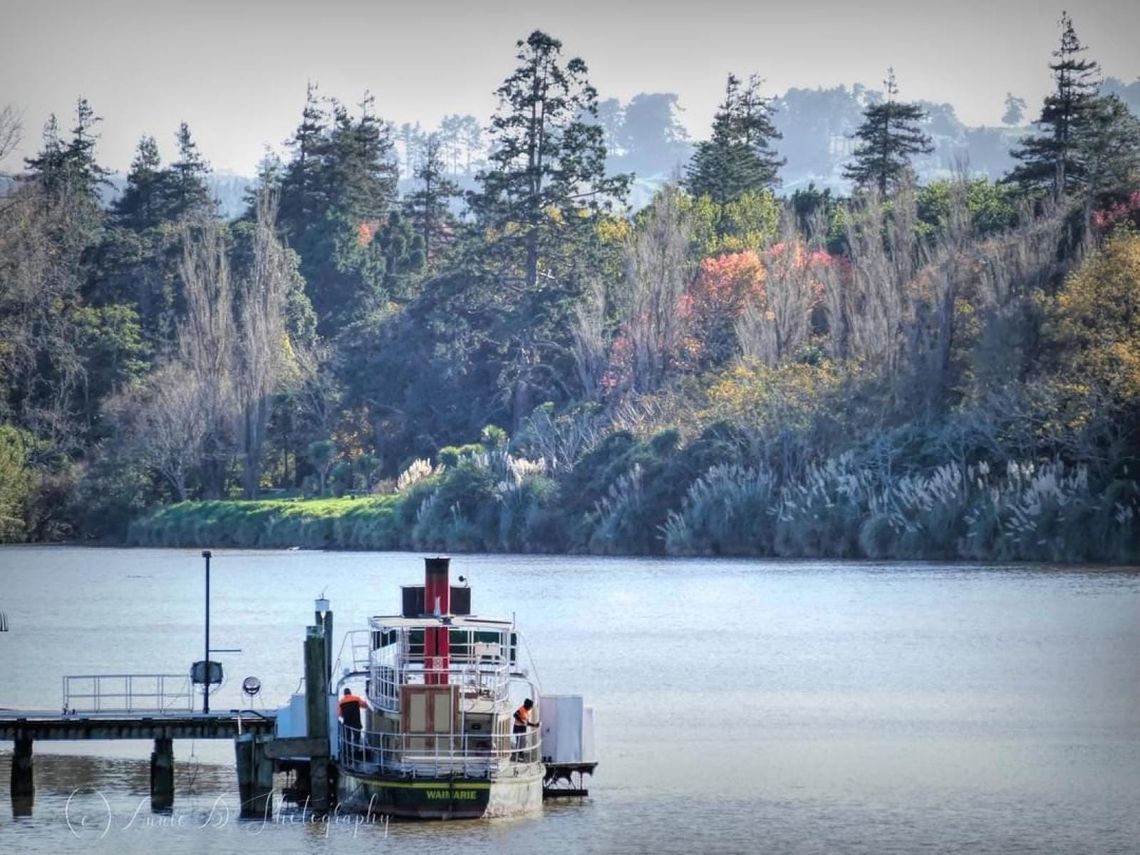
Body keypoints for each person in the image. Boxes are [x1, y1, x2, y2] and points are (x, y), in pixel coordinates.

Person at [338, 687, 369, 763]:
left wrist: (344, 715)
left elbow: (339, 713)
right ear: (350, 693)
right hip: (356, 721)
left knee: (347, 737)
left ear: (344, 694)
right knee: (357, 737)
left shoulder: (341, 702)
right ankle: (356, 751)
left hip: (347, 721)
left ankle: (347, 752)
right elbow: (364, 705)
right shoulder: (356, 698)